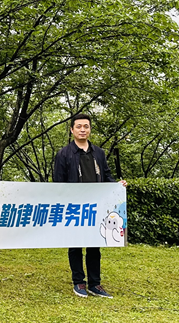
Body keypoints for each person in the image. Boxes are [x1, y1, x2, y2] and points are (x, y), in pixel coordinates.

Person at [51, 113, 127, 298]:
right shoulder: (64, 154)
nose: (83, 129)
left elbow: (107, 176)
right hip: (74, 208)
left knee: (95, 245)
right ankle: (79, 282)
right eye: (79, 126)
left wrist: (117, 185)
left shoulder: (98, 153)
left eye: (86, 126)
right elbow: (58, 182)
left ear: (90, 129)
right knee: (75, 245)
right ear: (72, 130)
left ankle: (95, 283)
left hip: (96, 207)